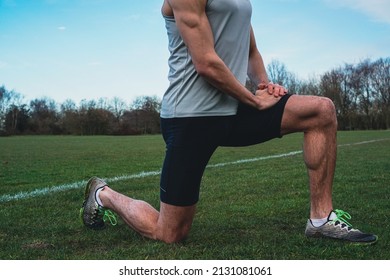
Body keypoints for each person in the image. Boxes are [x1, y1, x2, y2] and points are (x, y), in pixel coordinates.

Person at [80, 0, 377, 245]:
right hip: (190, 117)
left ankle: (321, 219)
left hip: (233, 111)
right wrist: (255, 100)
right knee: (170, 233)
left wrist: (264, 85)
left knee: (321, 111)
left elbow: (250, 50)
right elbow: (206, 63)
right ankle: (103, 194)